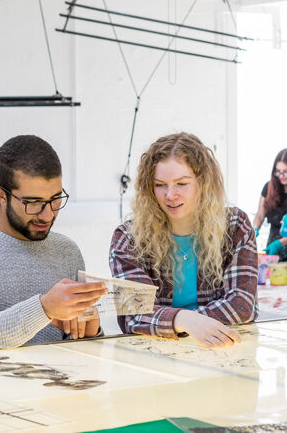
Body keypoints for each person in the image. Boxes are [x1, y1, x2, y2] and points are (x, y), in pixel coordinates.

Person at [0, 135, 107, 352]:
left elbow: (77, 353)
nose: (47, 215)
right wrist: (43, 308)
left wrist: (90, 332)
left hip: (55, 382)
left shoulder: (67, 250)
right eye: (33, 203)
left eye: (55, 199)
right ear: (0, 195)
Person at [109, 132, 258, 349]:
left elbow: (242, 305)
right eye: (160, 185)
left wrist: (171, 320)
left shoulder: (235, 226)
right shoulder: (128, 238)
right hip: (158, 355)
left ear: (203, 184)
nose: (170, 195)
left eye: (182, 183)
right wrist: (185, 321)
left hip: (227, 351)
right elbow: (133, 316)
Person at [253, 149, 287, 259]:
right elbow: (260, 214)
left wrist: (280, 243)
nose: (281, 176)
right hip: (273, 247)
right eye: (278, 171)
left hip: (280, 243)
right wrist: (255, 229)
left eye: (285, 171)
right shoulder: (269, 188)